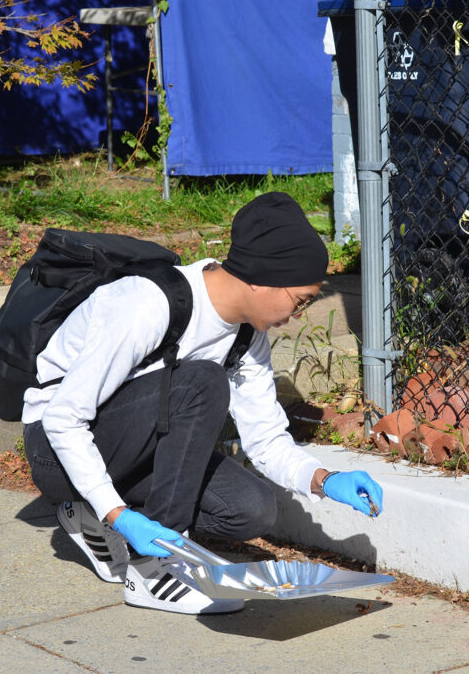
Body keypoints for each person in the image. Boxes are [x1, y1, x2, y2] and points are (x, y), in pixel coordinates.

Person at [22, 191, 384, 615]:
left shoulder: (248, 335)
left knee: (252, 511)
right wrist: (118, 514)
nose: (300, 314)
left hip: (131, 449)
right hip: (54, 449)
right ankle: (155, 570)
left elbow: (265, 440)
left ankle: (95, 514)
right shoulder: (147, 305)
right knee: (202, 381)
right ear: (262, 275)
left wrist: (324, 479)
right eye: (300, 300)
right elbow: (65, 419)